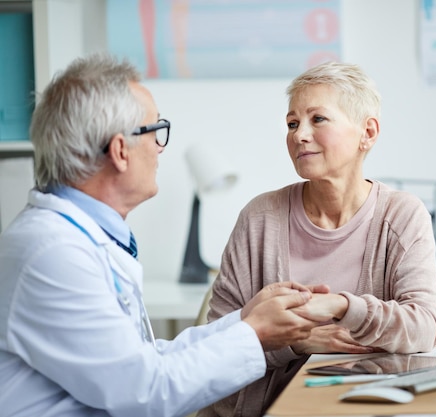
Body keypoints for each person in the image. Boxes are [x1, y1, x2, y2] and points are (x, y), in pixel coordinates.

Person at [0, 53, 332, 417]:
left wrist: (244, 320)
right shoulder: (52, 253)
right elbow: (145, 392)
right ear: (120, 150)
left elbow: (143, 361)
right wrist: (255, 334)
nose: (160, 147)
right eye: (155, 130)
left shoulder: (77, 238)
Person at [198, 61, 436, 417]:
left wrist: (342, 307)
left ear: (368, 133)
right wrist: (295, 343)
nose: (299, 135)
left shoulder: (401, 215)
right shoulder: (260, 218)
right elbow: (215, 346)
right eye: (292, 123)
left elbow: (423, 328)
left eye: (318, 119)